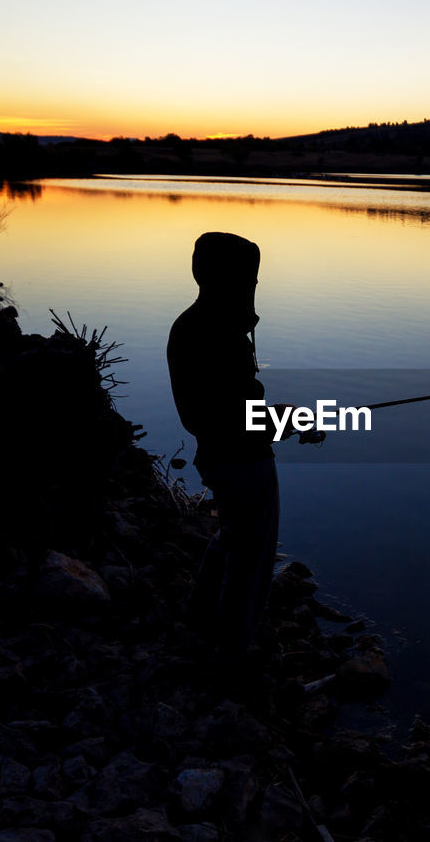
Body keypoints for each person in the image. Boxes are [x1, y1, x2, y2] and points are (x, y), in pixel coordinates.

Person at [167, 232, 286, 663]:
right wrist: (286, 421)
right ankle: (231, 655)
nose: (253, 287)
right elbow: (232, 417)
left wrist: (278, 419)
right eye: (248, 279)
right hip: (242, 463)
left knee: (230, 538)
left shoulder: (192, 324)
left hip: (217, 455)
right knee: (251, 559)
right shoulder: (219, 335)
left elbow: (224, 408)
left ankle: (198, 621)